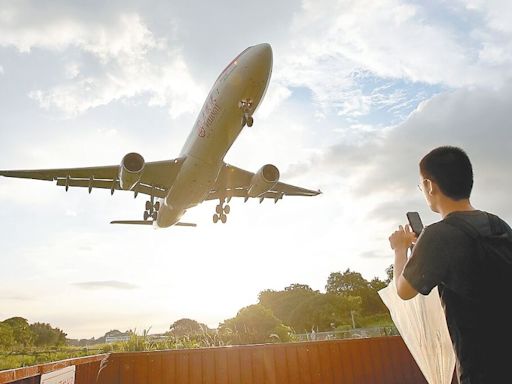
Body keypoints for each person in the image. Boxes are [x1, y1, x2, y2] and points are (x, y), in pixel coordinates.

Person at [388, 146, 512, 383]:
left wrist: (400, 250)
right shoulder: (498, 225)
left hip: (480, 370)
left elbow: (404, 291)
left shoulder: (437, 236)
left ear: (430, 186)